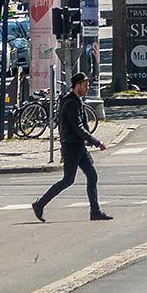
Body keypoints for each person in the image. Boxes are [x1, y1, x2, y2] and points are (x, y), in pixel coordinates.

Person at [32, 72, 110, 221]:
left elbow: (82, 126)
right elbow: (78, 127)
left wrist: (88, 140)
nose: (87, 88)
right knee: (68, 180)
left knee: (92, 175)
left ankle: (95, 212)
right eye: (85, 86)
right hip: (71, 147)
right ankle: (40, 204)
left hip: (79, 146)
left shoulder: (76, 101)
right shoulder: (71, 103)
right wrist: (96, 141)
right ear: (77, 85)